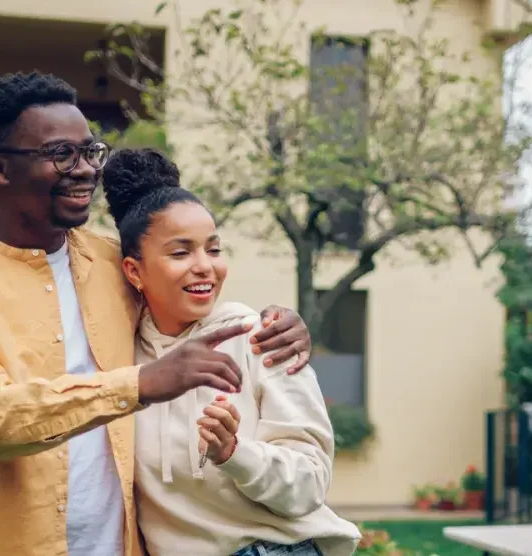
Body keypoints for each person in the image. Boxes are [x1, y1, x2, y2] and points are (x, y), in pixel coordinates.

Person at [0, 71, 313, 556]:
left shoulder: (116, 262)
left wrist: (280, 322)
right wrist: (138, 384)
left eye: (90, 151)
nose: (86, 170)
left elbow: (191, 305)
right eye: (60, 154)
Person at [101, 148, 361, 556]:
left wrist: (234, 453)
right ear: (134, 271)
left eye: (214, 249)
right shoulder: (121, 359)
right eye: (181, 252)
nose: (205, 266)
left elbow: (310, 484)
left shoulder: (261, 339)